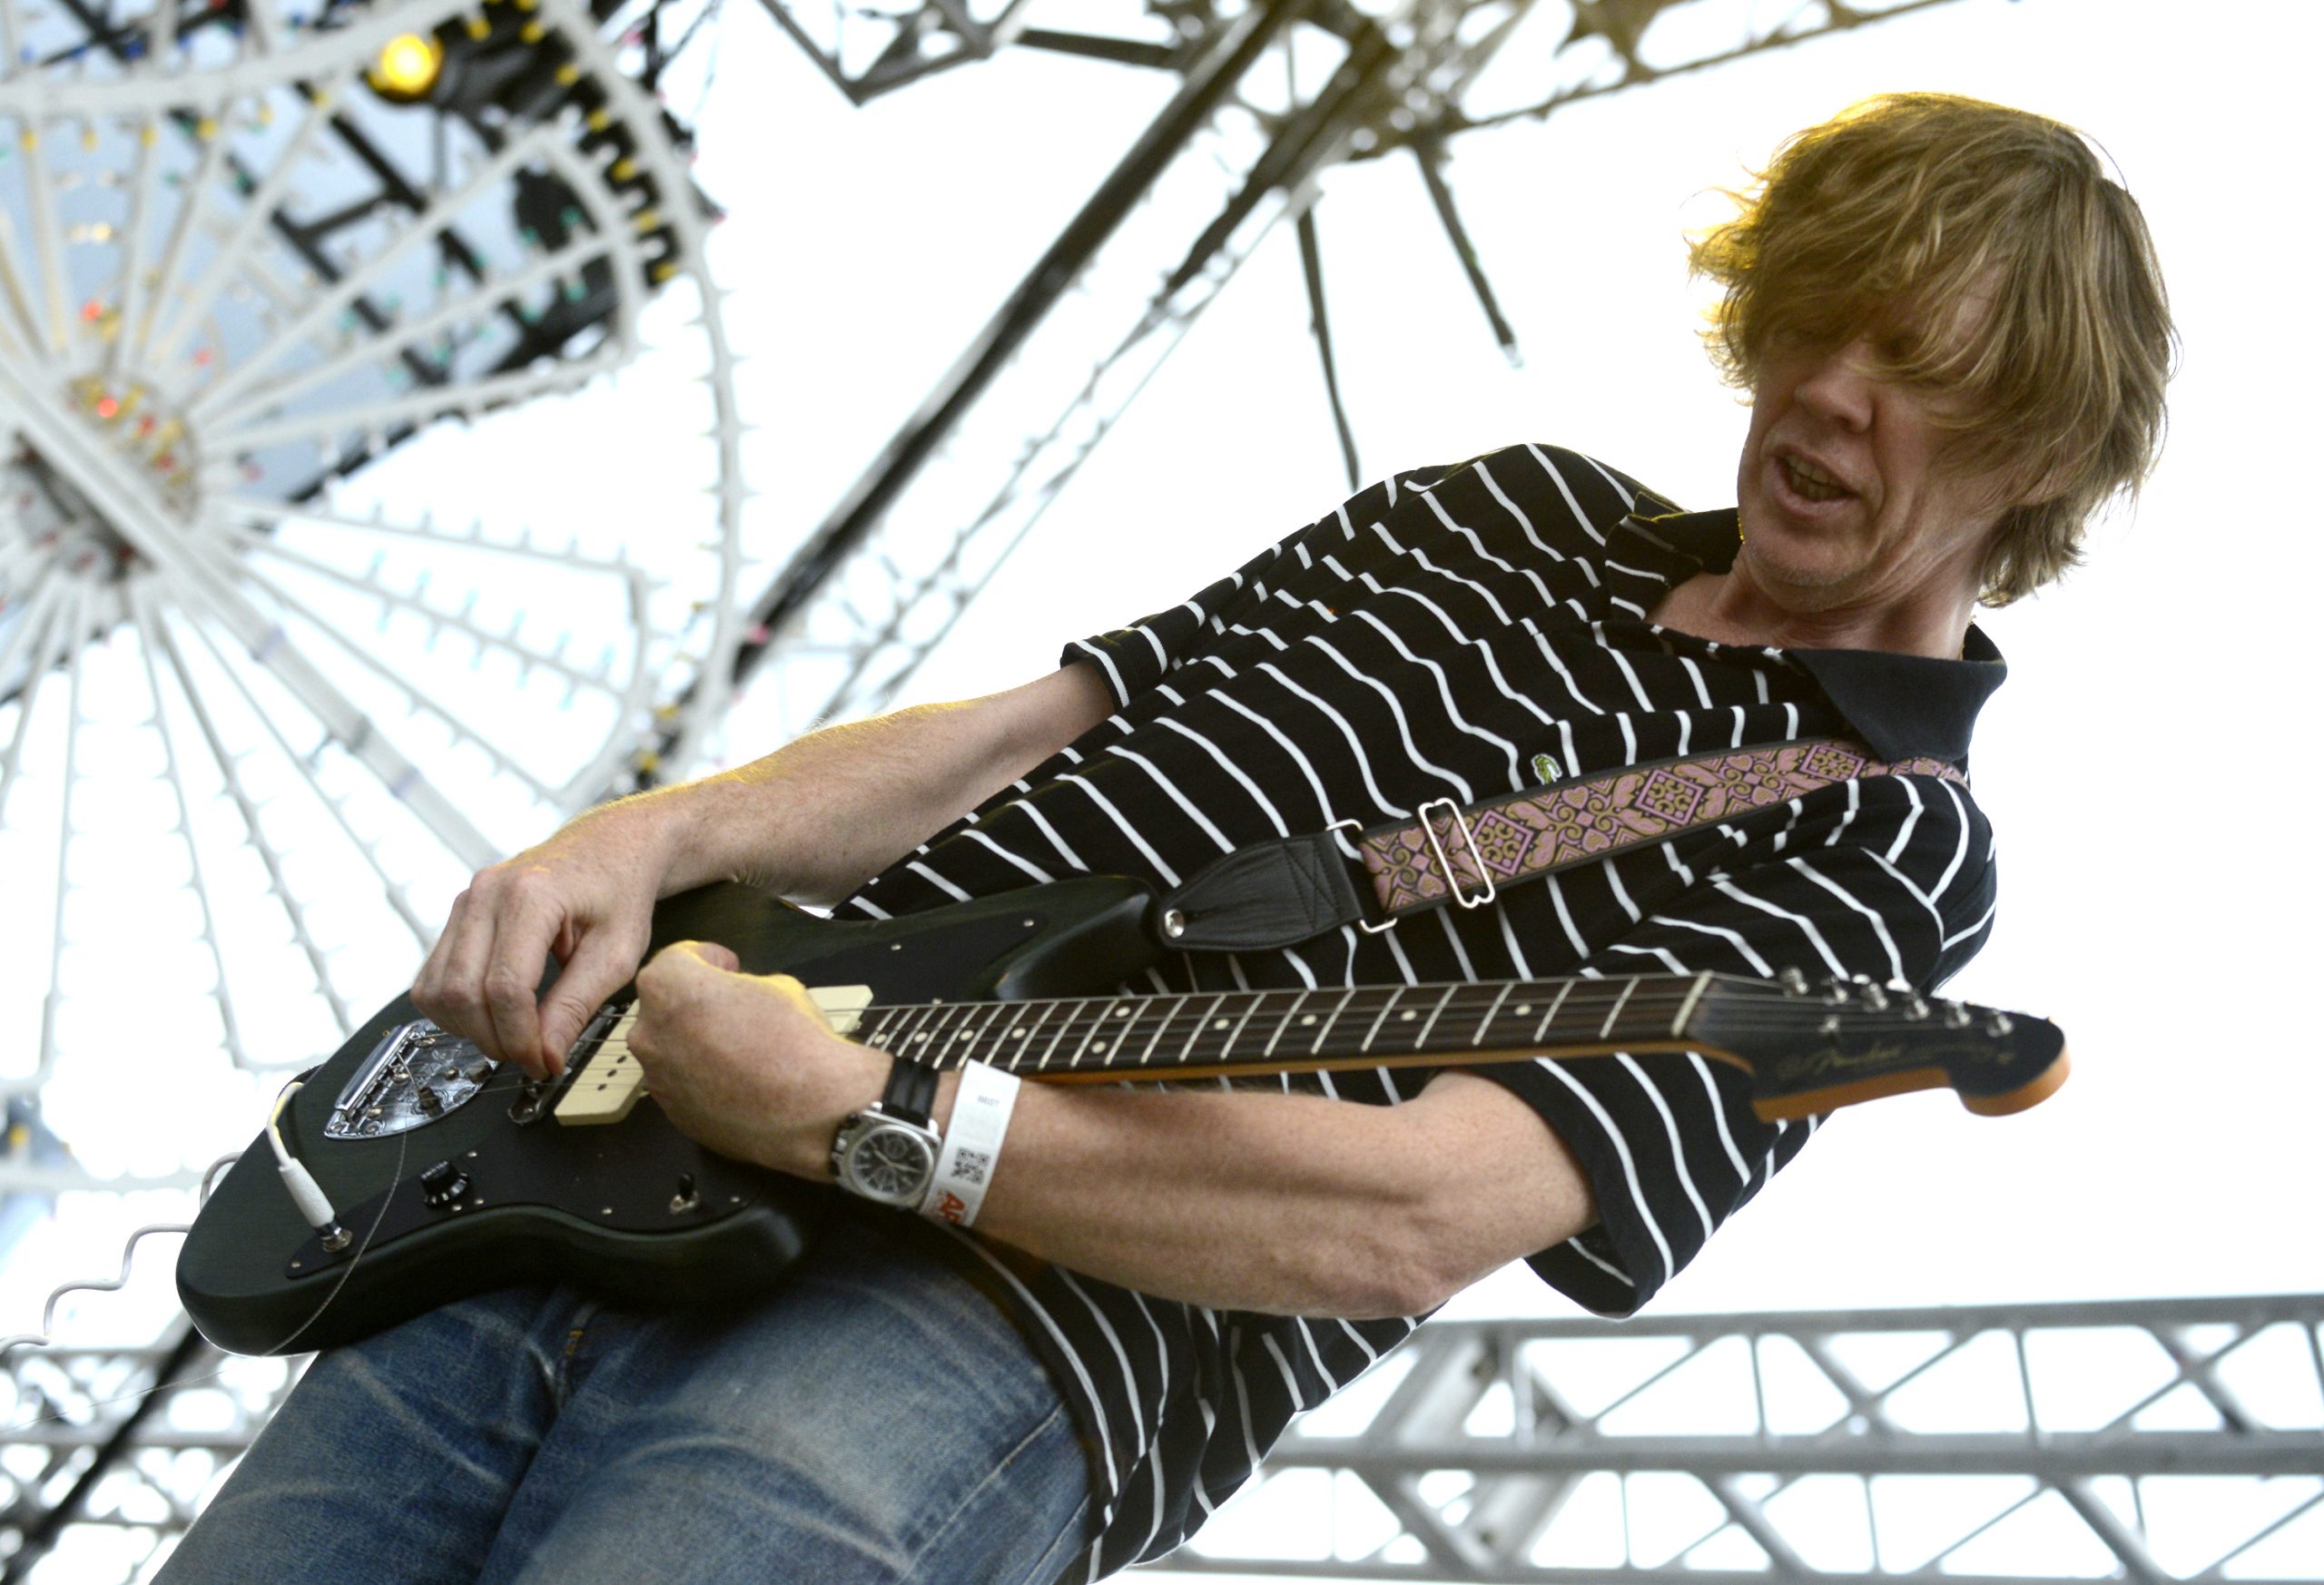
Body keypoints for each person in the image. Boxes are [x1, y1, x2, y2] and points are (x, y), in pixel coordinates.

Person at [157, 92, 2172, 1585]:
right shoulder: (1499, 510)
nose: (1828, 391)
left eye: (1918, 366)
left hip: (966, 1352)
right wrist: (647, 835)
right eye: (1817, 318)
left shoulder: (1890, 849)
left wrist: (871, 1119)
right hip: (599, 1173)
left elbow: (1412, 1216)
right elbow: (1017, 737)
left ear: (2043, 453)